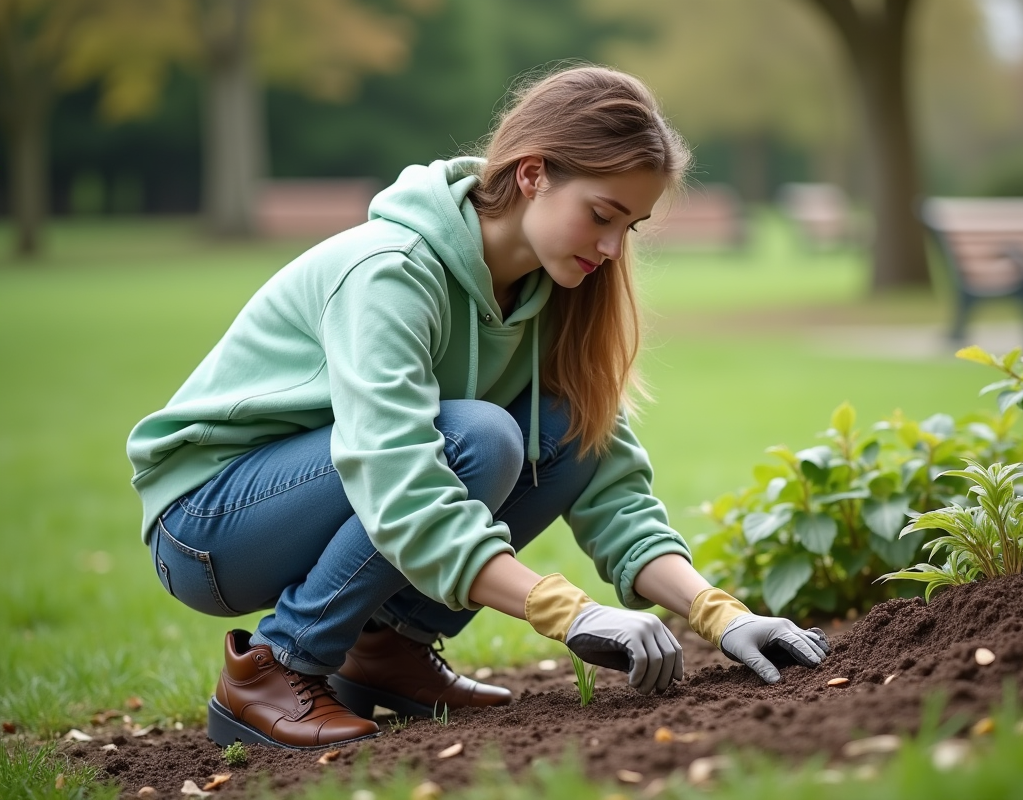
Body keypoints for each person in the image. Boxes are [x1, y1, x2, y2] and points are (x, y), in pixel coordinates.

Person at [126, 65, 829, 751]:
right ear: (533, 175)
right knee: (480, 440)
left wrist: (720, 615)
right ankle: (272, 668)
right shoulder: (391, 273)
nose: (614, 249)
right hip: (206, 522)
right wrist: (570, 612)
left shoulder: (552, 292)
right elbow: (400, 483)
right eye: (602, 215)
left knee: (567, 431)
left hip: (331, 494)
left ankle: (386, 647)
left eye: (631, 227)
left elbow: (607, 479)